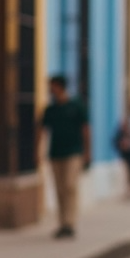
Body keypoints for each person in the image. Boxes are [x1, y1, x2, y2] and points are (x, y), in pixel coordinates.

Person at [38, 75, 91, 238]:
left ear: (60, 87)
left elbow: (85, 129)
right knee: (59, 189)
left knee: (70, 185)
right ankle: (62, 223)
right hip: (56, 153)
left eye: (52, 86)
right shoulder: (51, 110)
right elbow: (42, 130)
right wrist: (38, 151)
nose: (50, 90)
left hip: (74, 152)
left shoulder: (76, 106)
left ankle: (70, 222)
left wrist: (87, 152)